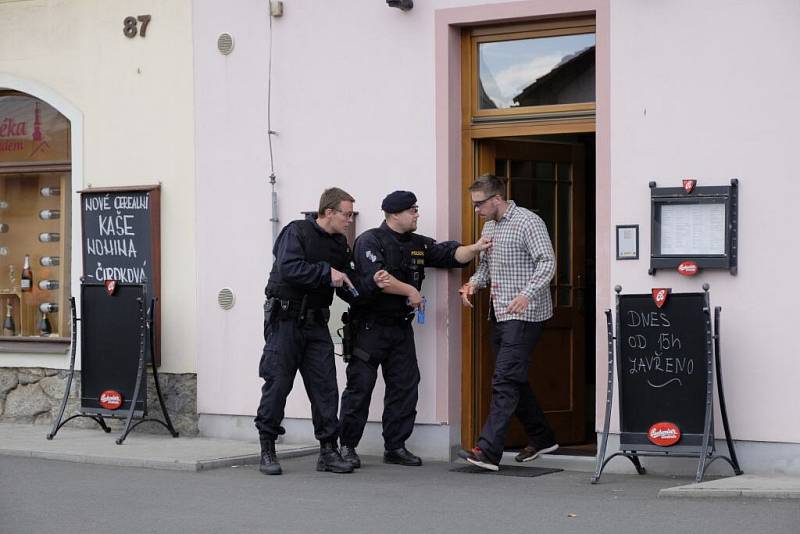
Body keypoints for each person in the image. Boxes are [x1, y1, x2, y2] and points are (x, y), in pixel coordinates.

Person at [338, 190, 491, 468]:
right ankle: (347, 446)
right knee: (360, 387)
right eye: (412, 210)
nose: (417, 214)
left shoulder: (417, 244)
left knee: (405, 386)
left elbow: (449, 254)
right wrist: (410, 290)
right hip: (370, 326)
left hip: (399, 327)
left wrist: (476, 247)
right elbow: (380, 280)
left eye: (416, 209)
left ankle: (395, 446)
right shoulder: (370, 241)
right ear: (394, 214)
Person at [458, 174, 559, 471]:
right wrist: (473, 284)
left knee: (504, 379)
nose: (476, 210)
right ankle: (542, 437)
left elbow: (547, 262)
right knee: (513, 377)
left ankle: (488, 451)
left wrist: (527, 295)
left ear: (497, 199)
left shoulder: (529, 222)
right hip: (499, 312)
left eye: (479, 204)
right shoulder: (489, 226)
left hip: (525, 314)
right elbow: (486, 267)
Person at [255, 187, 359, 475]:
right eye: (346, 214)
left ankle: (328, 450)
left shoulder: (338, 244)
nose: (350, 220)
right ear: (328, 212)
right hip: (285, 321)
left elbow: (347, 283)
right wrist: (327, 274)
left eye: (351, 215)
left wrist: (369, 287)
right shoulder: (296, 232)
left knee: (325, 387)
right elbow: (289, 269)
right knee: (278, 384)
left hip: (316, 324)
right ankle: (267, 448)